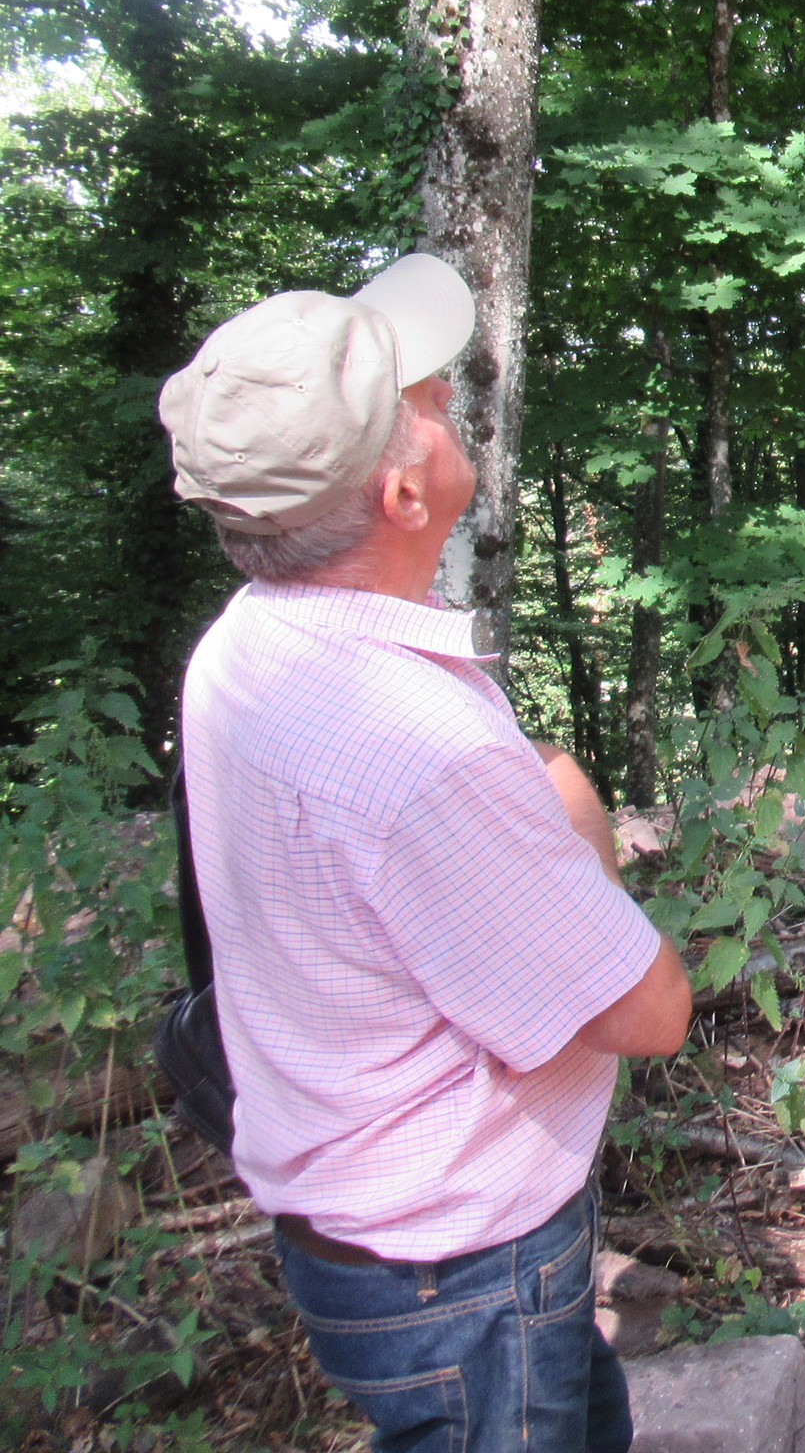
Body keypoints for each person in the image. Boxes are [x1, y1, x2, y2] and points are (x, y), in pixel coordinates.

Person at [160, 254, 691, 1453]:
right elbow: (649, 1009)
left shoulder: (243, 648)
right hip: (462, 1275)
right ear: (403, 496)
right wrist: (573, 800)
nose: (449, 391)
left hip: (368, 1234)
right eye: (424, 397)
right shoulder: (417, 752)